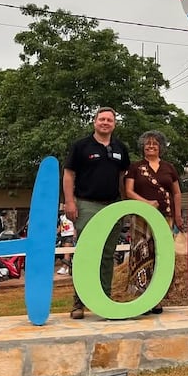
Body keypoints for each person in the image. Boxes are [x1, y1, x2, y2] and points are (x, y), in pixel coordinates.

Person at [63, 107, 131, 319]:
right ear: (94, 122)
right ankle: (78, 303)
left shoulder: (120, 147)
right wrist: (69, 201)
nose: (105, 122)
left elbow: (123, 177)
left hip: (113, 205)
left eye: (109, 120)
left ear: (114, 124)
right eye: (101, 119)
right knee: (86, 254)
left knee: (108, 255)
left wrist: (125, 205)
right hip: (87, 204)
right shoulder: (81, 146)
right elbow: (68, 175)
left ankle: (104, 301)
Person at [124, 130, 184, 315]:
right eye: (148, 144)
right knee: (143, 254)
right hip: (142, 218)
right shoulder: (135, 167)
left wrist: (178, 214)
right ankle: (143, 297)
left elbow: (176, 192)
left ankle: (157, 299)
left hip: (165, 217)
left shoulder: (169, 168)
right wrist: (147, 203)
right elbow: (129, 191)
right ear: (143, 147)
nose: (151, 146)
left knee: (161, 255)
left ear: (161, 148)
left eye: (155, 144)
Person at [56, 204, 75, 276]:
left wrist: (74, 235)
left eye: (65, 207)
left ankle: (64, 267)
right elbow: (60, 226)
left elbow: (75, 224)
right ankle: (68, 267)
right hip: (63, 235)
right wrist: (56, 233)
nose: (64, 208)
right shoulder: (62, 217)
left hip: (70, 235)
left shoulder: (72, 215)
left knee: (66, 251)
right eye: (63, 207)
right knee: (66, 252)